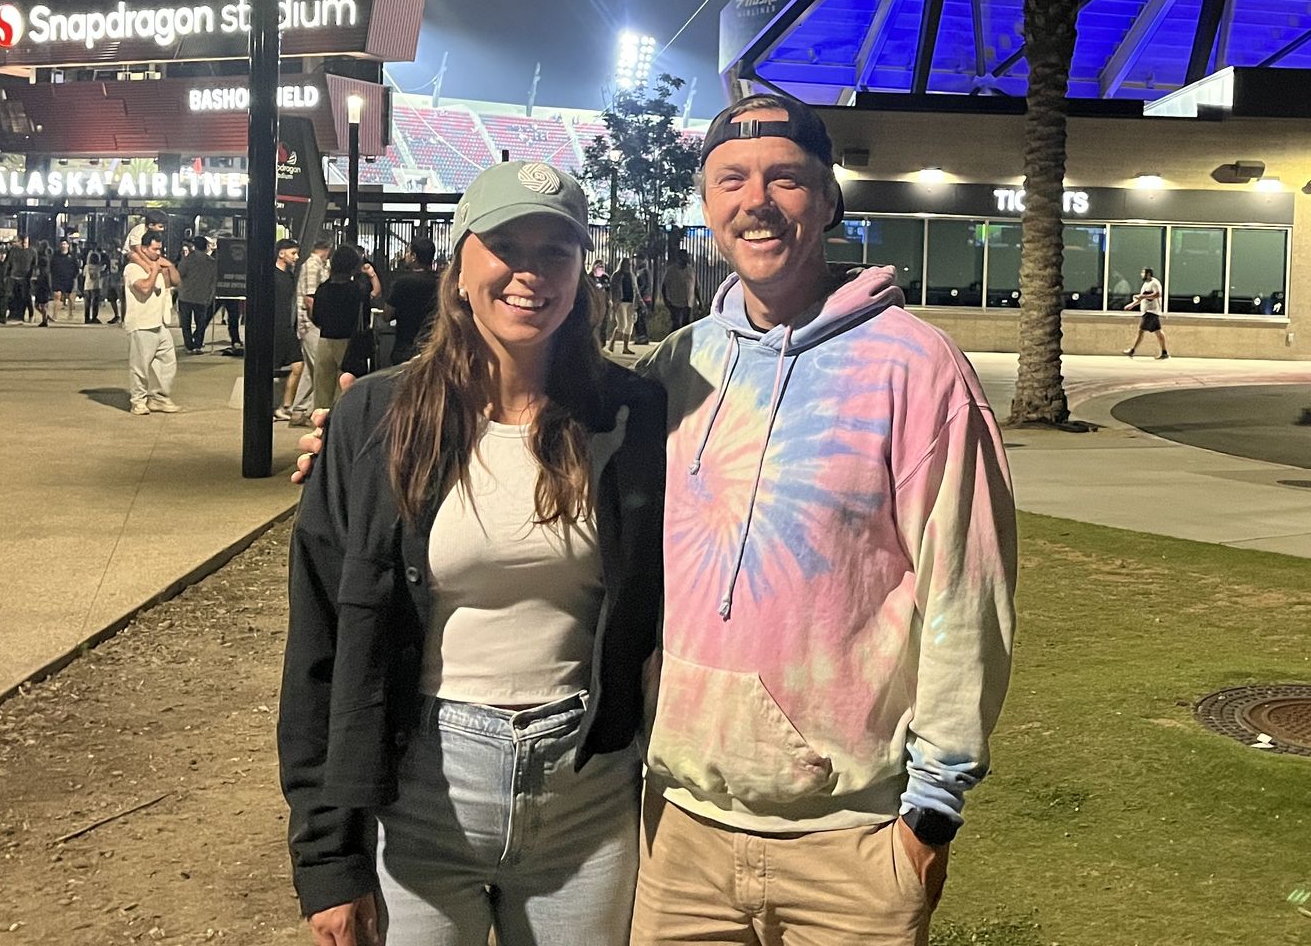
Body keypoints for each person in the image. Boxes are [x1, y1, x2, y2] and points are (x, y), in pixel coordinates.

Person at [289, 98, 1017, 945]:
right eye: (731, 179)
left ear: (827, 200)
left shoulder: (903, 370)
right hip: (663, 823)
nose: (758, 200)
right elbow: (327, 629)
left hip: (805, 826)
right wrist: (340, 452)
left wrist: (930, 814)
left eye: (785, 178)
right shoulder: (670, 376)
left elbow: (970, 595)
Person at [279, 159, 665, 946]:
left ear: (582, 271)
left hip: (586, 793)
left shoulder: (633, 416)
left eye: (555, 251)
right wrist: (328, 858)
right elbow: (320, 639)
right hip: (420, 788)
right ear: (460, 268)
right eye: (505, 245)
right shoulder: (376, 418)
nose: (530, 272)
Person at [307, 244, 377, 414]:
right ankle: (339, 429)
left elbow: (315, 317)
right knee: (345, 390)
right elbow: (364, 317)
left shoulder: (323, 288)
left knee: (322, 392)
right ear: (352, 266)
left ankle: (319, 429)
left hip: (325, 341)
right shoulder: (357, 289)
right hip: (348, 343)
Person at [123, 229, 182, 415]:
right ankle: (138, 401)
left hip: (159, 323)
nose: (158, 253)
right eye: (155, 249)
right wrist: (155, 269)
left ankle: (159, 397)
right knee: (140, 366)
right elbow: (145, 289)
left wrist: (169, 266)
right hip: (141, 323)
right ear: (144, 248)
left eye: (160, 249)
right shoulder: (133, 269)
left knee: (168, 361)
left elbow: (176, 282)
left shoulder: (159, 264)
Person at [287, 238, 334, 423]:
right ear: (327, 249)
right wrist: (318, 320)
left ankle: (299, 410)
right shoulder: (313, 265)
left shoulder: (320, 265)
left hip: (311, 324)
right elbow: (310, 298)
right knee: (321, 368)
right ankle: (313, 412)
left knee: (311, 369)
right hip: (312, 324)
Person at [382, 238, 440, 366]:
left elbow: (387, 315)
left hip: (405, 346)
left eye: (408, 252)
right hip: (434, 346)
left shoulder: (402, 283)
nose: (405, 255)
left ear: (414, 256)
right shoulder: (441, 282)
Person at [272, 240, 310, 422]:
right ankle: (273, 408)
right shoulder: (271, 275)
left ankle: (285, 406)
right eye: (293, 253)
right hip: (275, 328)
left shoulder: (289, 276)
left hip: (287, 328)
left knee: (298, 365)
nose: (296, 257)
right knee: (272, 369)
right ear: (281, 253)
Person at [176, 236, 219, 354]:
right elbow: (214, 280)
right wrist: (211, 294)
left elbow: (179, 274)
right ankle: (198, 345)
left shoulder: (187, 259)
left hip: (186, 295)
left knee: (186, 323)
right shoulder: (212, 262)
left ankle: (189, 345)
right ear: (206, 247)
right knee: (201, 323)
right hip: (202, 296)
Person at [1122, 267, 1168, 359]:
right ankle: (1164, 352)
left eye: (1143, 273)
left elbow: (1157, 294)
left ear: (1148, 274)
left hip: (1151, 311)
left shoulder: (1154, 283)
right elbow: (1142, 298)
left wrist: (1142, 296)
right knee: (1158, 332)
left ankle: (1132, 350)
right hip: (1148, 311)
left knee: (1141, 331)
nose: (1141, 275)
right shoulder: (1145, 284)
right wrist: (1131, 305)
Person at [659, 248, 697, 331]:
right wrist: (666, 300)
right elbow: (664, 286)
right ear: (679, 257)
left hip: (688, 302)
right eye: (683, 256)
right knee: (676, 324)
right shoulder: (671, 270)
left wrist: (699, 301)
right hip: (675, 302)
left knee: (686, 326)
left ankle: (685, 343)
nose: (686, 258)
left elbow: (696, 285)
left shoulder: (691, 270)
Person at [607, 257, 639, 355]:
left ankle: (626, 347)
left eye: (629, 264)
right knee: (622, 324)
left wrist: (638, 302)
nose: (628, 266)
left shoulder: (632, 275)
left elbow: (636, 289)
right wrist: (613, 302)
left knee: (630, 325)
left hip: (630, 302)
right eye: (626, 264)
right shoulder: (617, 275)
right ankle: (612, 342)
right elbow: (612, 289)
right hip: (620, 302)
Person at [51, 239, 81, 320]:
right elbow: (51, 266)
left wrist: (74, 276)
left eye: (65, 244)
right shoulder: (55, 255)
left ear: (68, 245)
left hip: (69, 279)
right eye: (62, 244)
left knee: (70, 297)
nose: (63, 246)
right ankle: (55, 315)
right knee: (57, 296)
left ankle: (70, 313)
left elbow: (76, 268)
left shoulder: (72, 256)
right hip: (58, 279)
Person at [81, 248, 106, 323]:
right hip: (95, 286)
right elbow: (104, 269)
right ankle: (94, 317)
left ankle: (87, 318)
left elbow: (83, 275)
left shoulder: (86, 267)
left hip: (87, 286)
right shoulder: (98, 267)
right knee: (95, 303)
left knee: (87, 304)